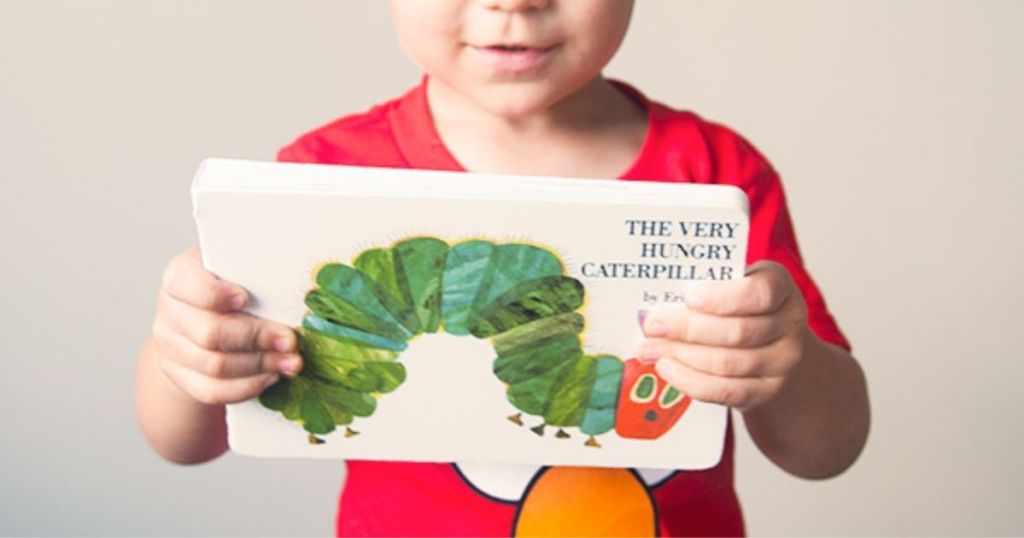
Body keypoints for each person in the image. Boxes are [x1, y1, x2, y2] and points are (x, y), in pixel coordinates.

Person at [135, 0, 870, 535]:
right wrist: (186, 352)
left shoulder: (717, 177)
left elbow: (826, 451)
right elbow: (183, 442)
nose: (514, 2)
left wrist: (787, 361)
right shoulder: (323, 180)